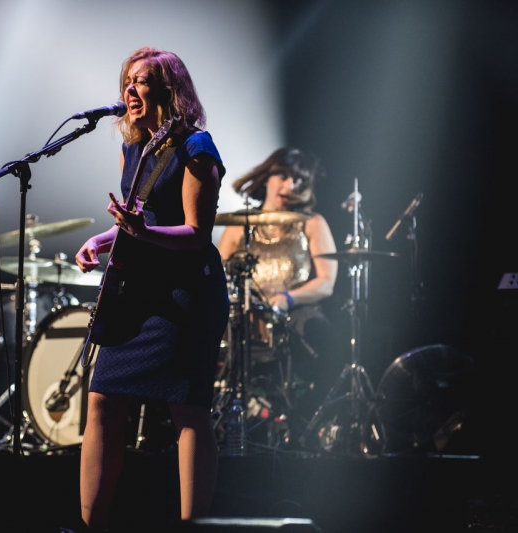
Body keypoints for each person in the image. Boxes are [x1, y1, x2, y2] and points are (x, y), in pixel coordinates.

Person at [75, 47, 229, 530]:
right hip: (140, 290)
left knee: (187, 407)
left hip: (185, 291)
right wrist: (100, 240)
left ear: (168, 90)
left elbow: (195, 233)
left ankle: (191, 525)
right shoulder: (135, 147)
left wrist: (138, 233)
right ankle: (90, 524)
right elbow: (137, 221)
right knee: (101, 400)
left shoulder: (195, 146)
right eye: (127, 81)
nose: (130, 90)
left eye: (142, 81)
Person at [216, 147, 339, 440]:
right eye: (283, 175)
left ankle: (308, 424)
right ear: (267, 176)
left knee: (328, 341)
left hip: (296, 313)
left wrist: (288, 298)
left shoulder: (311, 223)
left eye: (298, 180)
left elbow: (327, 282)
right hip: (244, 314)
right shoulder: (238, 225)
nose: (289, 185)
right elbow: (215, 275)